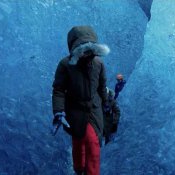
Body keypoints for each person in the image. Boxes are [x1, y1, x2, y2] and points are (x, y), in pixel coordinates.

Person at [52, 26, 110, 175]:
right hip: (75, 110)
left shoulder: (99, 64)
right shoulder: (66, 65)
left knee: (93, 143)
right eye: (85, 50)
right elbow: (59, 89)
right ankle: (78, 168)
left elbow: (102, 87)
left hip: (94, 110)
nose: (89, 54)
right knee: (78, 140)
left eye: (91, 49)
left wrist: (106, 103)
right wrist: (59, 112)